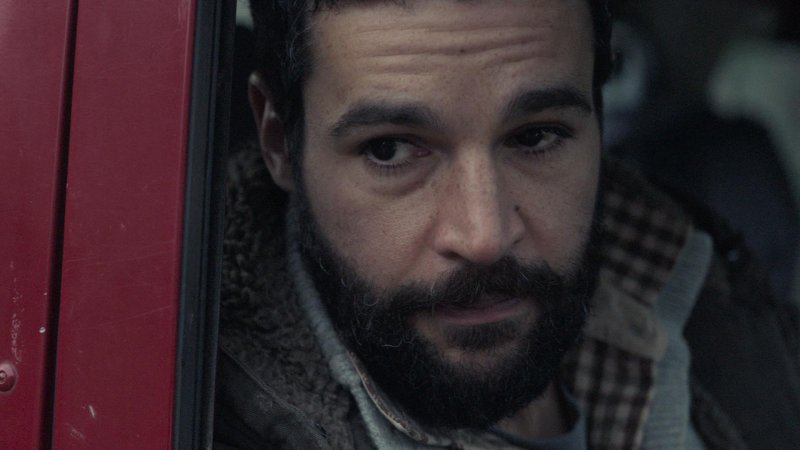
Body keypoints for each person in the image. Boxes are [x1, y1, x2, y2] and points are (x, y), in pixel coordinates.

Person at [214, 0, 800, 448]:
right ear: (279, 142)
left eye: (536, 136)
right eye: (390, 149)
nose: (485, 236)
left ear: (600, 114)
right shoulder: (200, 413)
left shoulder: (721, 312)